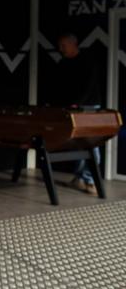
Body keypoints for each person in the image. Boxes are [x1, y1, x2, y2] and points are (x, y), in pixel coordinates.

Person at [55, 32, 102, 196]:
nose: (60, 49)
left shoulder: (87, 61)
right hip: (73, 108)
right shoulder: (64, 62)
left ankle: (90, 181)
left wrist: (78, 104)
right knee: (79, 144)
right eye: (60, 46)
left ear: (72, 43)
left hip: (89, 108)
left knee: (91, 144)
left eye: (63, 46)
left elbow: (89, 85)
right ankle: (79, 178)